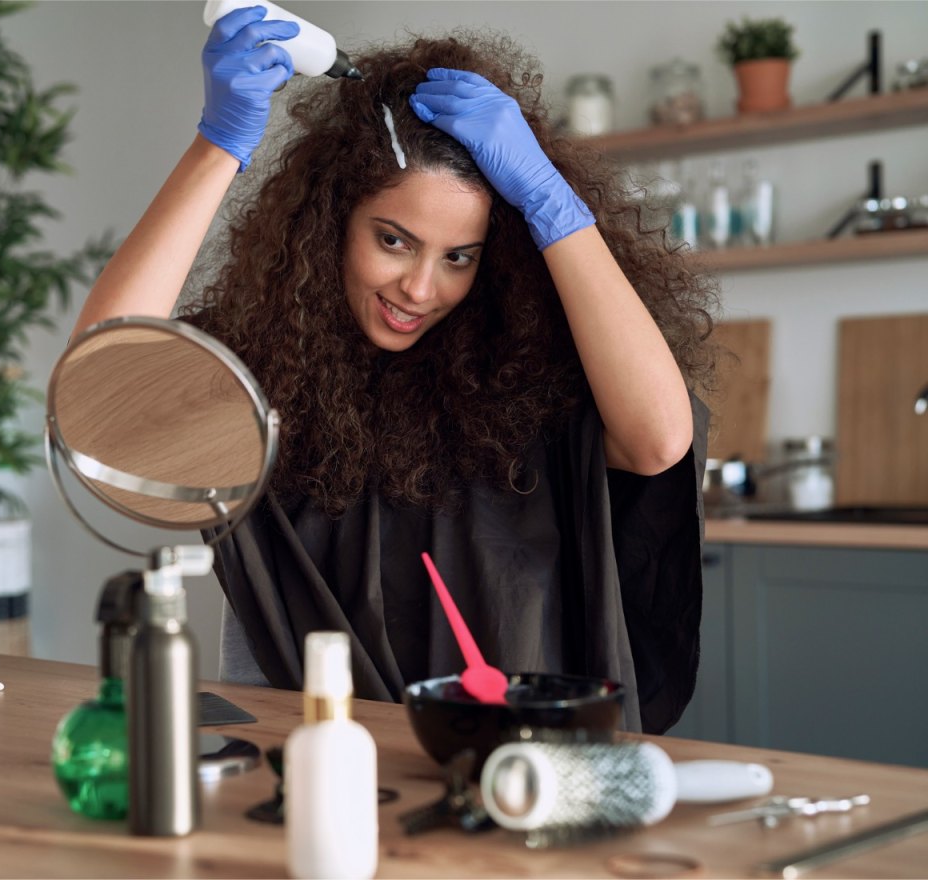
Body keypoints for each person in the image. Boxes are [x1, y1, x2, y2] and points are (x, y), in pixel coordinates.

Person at [73, 8, 718, 734]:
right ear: (330, 224)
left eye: (458, 258)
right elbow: (101, 391)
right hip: (300, 745)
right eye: (393, 240)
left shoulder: (526, 380)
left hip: (497, 762)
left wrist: (548, 201)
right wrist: (218, 145)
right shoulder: (265, 368)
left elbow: (660, 441)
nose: (420, 288)